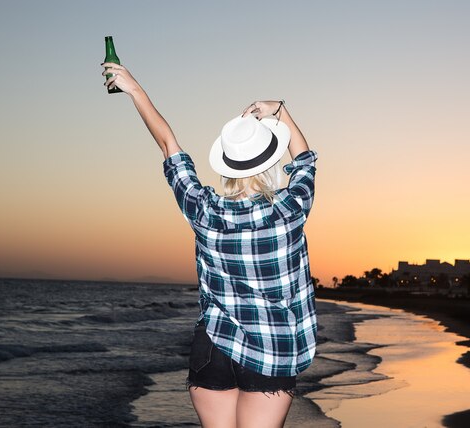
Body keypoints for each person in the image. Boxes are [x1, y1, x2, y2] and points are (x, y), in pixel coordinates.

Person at [102, 63, 318, 428]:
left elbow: (169, 146)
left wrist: (135, 91)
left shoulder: (203, 209)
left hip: (214, 347)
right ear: (270, 161)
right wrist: (280, 110)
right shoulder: (290, 207)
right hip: (272, 349)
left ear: (227, 164)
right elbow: (305, 161)